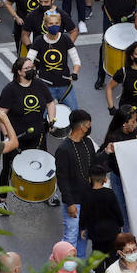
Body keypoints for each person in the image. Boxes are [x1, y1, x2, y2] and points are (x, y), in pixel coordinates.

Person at [0, 55, 59, 211]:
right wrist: (6, 136)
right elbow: (0, 114)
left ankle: (47, 194)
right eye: (27, 68)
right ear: (19, 72)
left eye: (32, 67)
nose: (31, 70)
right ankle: (2, 200)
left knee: (43, 163)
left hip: (37, 134)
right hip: (15, 137)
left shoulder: (39, 85)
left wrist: (52, 119)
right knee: (8, 167)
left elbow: (50, 102)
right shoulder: (10, 90)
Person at [54, 109, 97, 257]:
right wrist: (70, 203)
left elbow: (94, 163)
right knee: (71, 238)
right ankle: (66, 271)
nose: (89, 127)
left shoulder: (88, 142)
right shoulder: (63, 149)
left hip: (88, 200)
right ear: (82, 126)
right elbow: (62, 179)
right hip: (74, 202)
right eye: (89, 124)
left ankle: (80, 266)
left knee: (83, 235)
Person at [32, 12, 81, 111]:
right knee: (43, 115)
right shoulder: (39, 41)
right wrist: (32, 72)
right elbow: (29, 59)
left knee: (75, 113)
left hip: (64, 85)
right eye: (50, 23)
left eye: (56, 23)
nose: (54, 26)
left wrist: (75, 73)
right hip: (46, 86)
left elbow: (76, 60)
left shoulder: (65, 39)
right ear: (45, 25)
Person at [79, 163, 126, 263]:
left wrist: (83, 228)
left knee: (97, 255)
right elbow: (117, 210)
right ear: (105, 180)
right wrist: (121, 223)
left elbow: (84, 213)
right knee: (112, 255)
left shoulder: (86, 195)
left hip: (96, 232)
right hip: (112, 231)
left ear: (89, 179)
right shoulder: (109, 193)